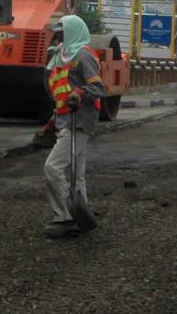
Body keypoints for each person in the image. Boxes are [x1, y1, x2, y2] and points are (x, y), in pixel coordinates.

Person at [41, 14, 106, 239]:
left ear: (72, 33)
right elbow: (59, 94)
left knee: (53, 167)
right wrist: (51, 123)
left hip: (79, 121)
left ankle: (66, 217)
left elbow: (98, 89)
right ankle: (83, 211)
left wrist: (80, 94)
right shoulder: (62, 57)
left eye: (61, 33)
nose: (56, 37)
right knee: (77, 172)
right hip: (65, 120)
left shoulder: (83, 56)